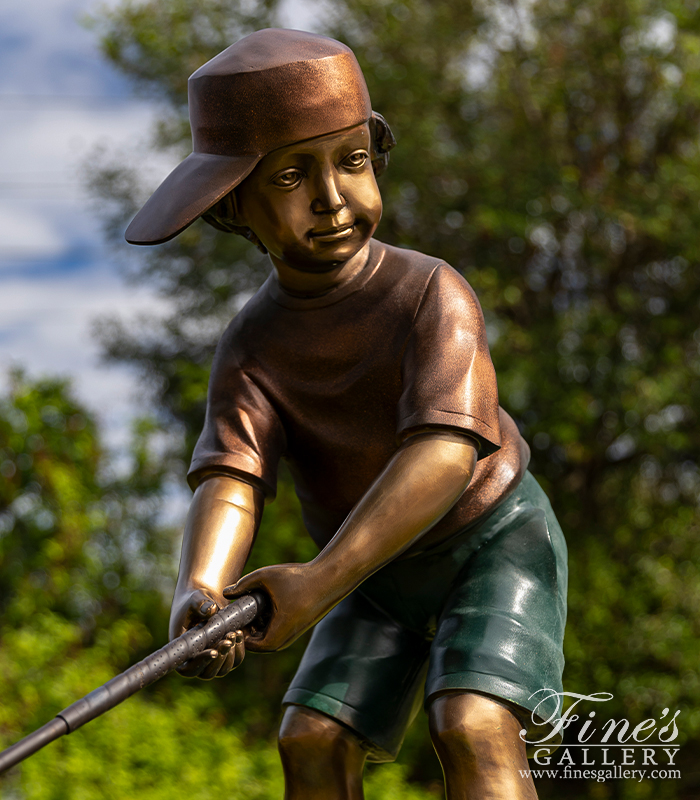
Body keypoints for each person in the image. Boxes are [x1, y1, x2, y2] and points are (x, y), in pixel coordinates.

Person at [125, 28, 567, 799]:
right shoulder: (251, 346)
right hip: (373, 572)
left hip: (490, 545)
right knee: (311, 740)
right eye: (292, 176)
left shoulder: (433, 293)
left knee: (470, 724)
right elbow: (232, 472)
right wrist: (201, 586)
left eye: (352, 161)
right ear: (233, 206)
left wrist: (319, 581)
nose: (331, 200)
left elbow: (444, 455)